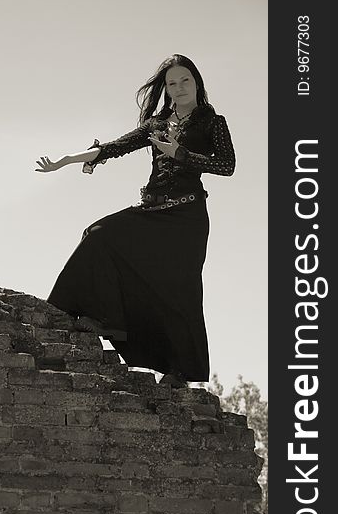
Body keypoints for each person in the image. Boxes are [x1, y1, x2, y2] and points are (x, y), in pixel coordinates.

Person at [35, 54, 235, 387]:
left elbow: (226, 165)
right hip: (152, 211)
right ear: (166, 89)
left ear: (196, 82)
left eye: (185, 80)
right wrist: (67, 160)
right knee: (99, 235)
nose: (179, 87)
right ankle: (97, 319)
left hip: (187, 219)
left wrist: (180, 154)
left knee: (178, 291)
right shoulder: (157, 125)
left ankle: (180, 372)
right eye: (172, 83)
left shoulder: (213, 122)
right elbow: (115, 147)